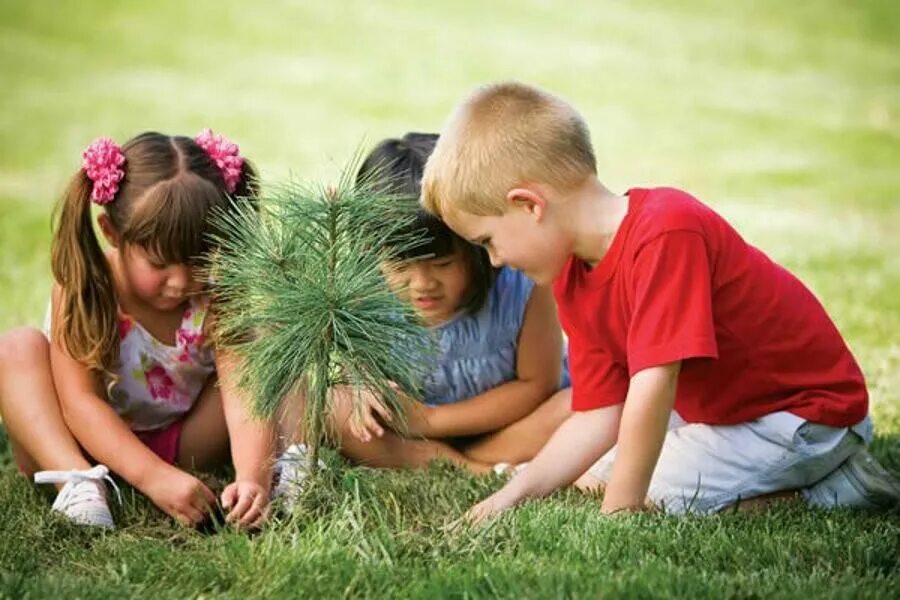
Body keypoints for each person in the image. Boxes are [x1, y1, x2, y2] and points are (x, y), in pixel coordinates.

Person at [419, 82, 900, 520]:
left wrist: (622, 510)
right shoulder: (571, 276)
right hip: (719, 412)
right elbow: (597, 413)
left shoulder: (667, 230)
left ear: (529, 205)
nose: (496, 261)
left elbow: (653, 384)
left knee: (655, 497)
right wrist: (512, 495)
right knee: (588, 477)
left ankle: (838, 487)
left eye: (488, 241)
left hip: (799, 415)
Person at [0, 130, 306, 529]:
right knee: (15, 349)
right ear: (112, 233)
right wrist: (153, 479)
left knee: (274, 346)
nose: (180, 282)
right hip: (79, 444)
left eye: (198, 259)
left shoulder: (218, 292)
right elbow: (80, 403)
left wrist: (252, 475)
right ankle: (75, 483)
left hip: (180, 442)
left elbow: (244, 391)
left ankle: (285, 463)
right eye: (160, 264)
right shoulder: (88, 287)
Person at [330, 132, 571, 474]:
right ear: (372, 253)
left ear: (475, 243)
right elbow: (351, 365)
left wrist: (428, 421)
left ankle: (470, 460)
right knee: (332, 407)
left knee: (580, 405)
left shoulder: (522, 284)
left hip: (511, 426)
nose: (423, 284)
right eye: (400, 267)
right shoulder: (361, 290)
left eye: (443, 264)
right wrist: (361, 384)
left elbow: (537, 384)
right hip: (408, 435)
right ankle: (474, 468)